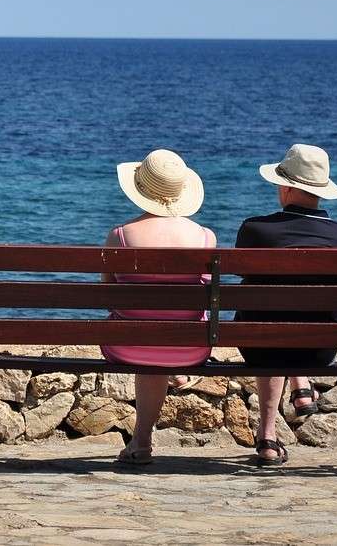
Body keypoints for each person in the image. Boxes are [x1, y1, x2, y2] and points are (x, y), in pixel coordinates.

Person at [235, 143, 337, 466]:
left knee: (264, 315)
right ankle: (300, 382)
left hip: (260, 345)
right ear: (321, 192)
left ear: (286, 187)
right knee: (293, 317)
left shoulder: (254, 231)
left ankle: (267, 436)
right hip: (318, 350)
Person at [102, 149, 215, 466]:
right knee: (161, 333)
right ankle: (141, 440)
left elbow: (107, 297)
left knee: (144, 332)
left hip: (127, 347)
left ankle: (141, 442)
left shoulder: (120, 236)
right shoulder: (205, 238)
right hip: (188, 349)